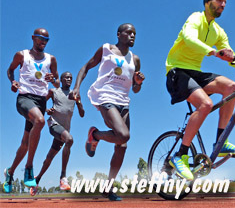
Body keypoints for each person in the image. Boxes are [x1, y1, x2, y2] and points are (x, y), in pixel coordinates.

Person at [165, 0, 235, 181]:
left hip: (195, 73)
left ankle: (221, 143)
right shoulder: (196, 18)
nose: (223, 5)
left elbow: (231, 56)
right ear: (207, 2)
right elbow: (189, 38)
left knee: (230, 87)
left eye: (225, 2)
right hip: (177, 71)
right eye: (220, 0)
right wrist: (213, 52)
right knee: (205, 105)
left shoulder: (218, 31)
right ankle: (180, 155)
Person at [70, 23, 145, 201]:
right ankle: (95, 135)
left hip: (124, 102)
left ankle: (108, 187)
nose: (132, 35)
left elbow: (135, 90)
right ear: (119, 34)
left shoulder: (135, 59)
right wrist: (77, 87)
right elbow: (86, 67)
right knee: (123, 135)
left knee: (122, 146)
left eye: (135, 33)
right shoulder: (106, 49)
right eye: (128, 32)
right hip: (105, 96)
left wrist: (138, 82)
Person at [4, 28, 59, 193]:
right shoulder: (21, 55)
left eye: (46, 40)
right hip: (24, 99)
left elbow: (56, 84)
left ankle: (10, 171)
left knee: (25, 143)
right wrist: (13, 82)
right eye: (41, 38)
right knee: (40, 121)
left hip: (41, 101)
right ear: (33, 38)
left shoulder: (51, 59)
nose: (43, 42)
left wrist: (53, 79)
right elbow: (10, 69)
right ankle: (29, 167)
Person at [30, 71, 85, 196]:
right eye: (66, 77)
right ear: (61, 79)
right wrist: (46, 110)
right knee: (70, 140)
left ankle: (36, 180)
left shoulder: (74, 94)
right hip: (54, 125)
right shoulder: (54, 92)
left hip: (64, 130)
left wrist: (79, 102)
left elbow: (82, 114)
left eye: (71, 78)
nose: (69, 79)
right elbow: (40, 103)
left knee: (49, 157)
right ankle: (63, 177)